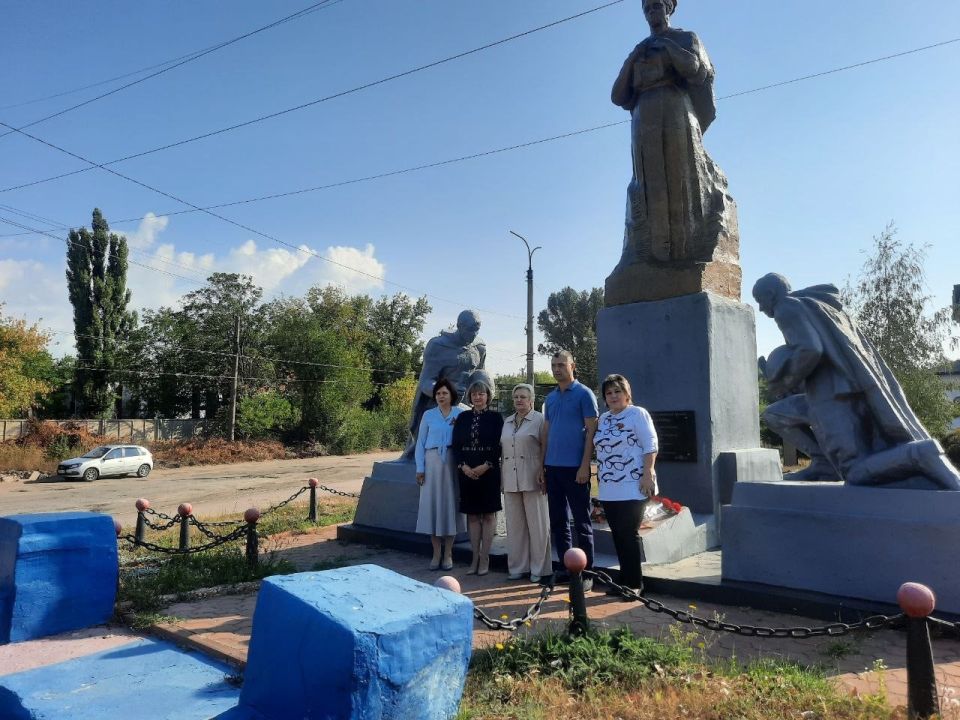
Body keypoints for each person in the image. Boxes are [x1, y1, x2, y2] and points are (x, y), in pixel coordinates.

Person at [754, 273, 960, 490]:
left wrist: (785, 380)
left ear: (770, 294)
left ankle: (919, 453)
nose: (760, 308)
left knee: (855, 472)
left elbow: (810, 349)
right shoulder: (816, 305)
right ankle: (825, 465)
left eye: (760, 301)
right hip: (838, 392)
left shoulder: (785, 307)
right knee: (775, 414)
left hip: (832, 398)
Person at [611, 0, 731, 263]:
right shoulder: (640, 51)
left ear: (669, 8)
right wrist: (633, 59)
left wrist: (666, 45)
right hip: (644, 115)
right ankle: (655, 257)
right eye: (647, 8)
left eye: (656, 6)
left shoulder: (685, 38)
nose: (652, 12)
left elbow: (696, 71)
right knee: (649, 182)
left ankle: (684, 253)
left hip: (676, 107)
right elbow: (618, 96)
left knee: (679, 177)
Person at [541, 351, 599, 591]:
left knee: (582, 522)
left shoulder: (585, 394)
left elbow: (592, 432)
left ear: (572, 366)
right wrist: (542, 466)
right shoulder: (550, 398)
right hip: (552, 468)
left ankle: (587, 572)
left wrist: (585, 465)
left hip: (576, 469)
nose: (557, 369)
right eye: (553, 365)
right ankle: (567, 568)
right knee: (559, 521)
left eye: (561, 365)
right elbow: (545, 433)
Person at [595, 374, 658, 593]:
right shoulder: (603, 419)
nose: (613, 396)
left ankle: (634, 584)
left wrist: (648, 473)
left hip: (633, 485)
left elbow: (650, 445)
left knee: (628, 534)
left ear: (627, 393)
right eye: (609, 393)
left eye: (617, 391)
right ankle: (623, 580)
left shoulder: (637, 414)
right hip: (609, 488)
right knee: (618, 534)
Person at [402, 310, 486, 460]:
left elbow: (480, 377)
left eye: (476, 330)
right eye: (469, 330)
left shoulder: (479, 347)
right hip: (437, 404)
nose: (473, 335)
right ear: (459, 326)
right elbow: (426, 382)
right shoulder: (438, 346)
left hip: (466, 403)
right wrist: (447, 393)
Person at [415, 378, 468, 570]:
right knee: (433, 508)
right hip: (431, 463)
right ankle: (436, 554)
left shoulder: (460, 413)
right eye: (438, 393)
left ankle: (448, 554)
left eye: (444, 393)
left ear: (451, 395)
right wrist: (420, 468)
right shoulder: (428, 415)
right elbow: (420, 443)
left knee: (449, 508)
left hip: (452, 464)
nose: (441, 396)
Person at [501, 383, 552, 583]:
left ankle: (540, 569)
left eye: (523, 397)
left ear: (532, 400)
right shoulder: (507, 422)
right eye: (516, 397)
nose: (519, 400)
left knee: (538, 526)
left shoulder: (540, 420)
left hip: (533, 478)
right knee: (515, 527)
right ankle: (517, 567)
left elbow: (545, 448)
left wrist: (543, 471)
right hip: (510, 479)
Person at [452, 378, 504, 575]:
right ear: (470, 397)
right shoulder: (463, 418)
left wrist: (486, 465)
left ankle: (485, 557)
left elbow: (499, 445)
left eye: (481, 394)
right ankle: (474, 557)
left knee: (489, 515)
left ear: (488, 396)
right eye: (474, 394)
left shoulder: (496, 418)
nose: (478, 397)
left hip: (489, 473)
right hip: (466, 473)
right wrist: (463, 466)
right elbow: (456, 445)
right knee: (472, 516)